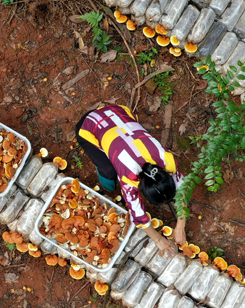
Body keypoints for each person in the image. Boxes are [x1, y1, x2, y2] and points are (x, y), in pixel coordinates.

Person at [75, 104, 187, 257]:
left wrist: (181, 224)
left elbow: (183, 187)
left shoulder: (168, 159)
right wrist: (158, 240)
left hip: (115, 112)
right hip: (89, 126)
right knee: (109, 173)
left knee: (119, 148)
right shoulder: (128, 178)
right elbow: (138, 216)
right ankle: (104, 175)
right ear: (141, 188)